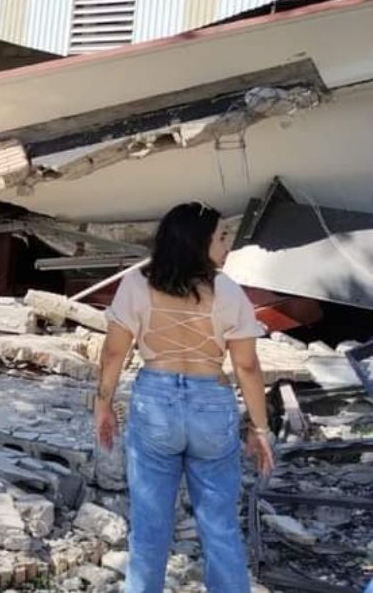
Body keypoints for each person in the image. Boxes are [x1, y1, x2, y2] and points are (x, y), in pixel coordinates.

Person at [95, 202, 273, 593]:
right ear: (198, 242)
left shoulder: (137, 284)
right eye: (222, 236)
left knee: (149, 525)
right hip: (212, 403)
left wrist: (102, 405)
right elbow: (246, 366)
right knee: (220, 526)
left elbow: (113, 352)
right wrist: (260, 428)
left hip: (155, 401)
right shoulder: (227, 290)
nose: (227, 245)